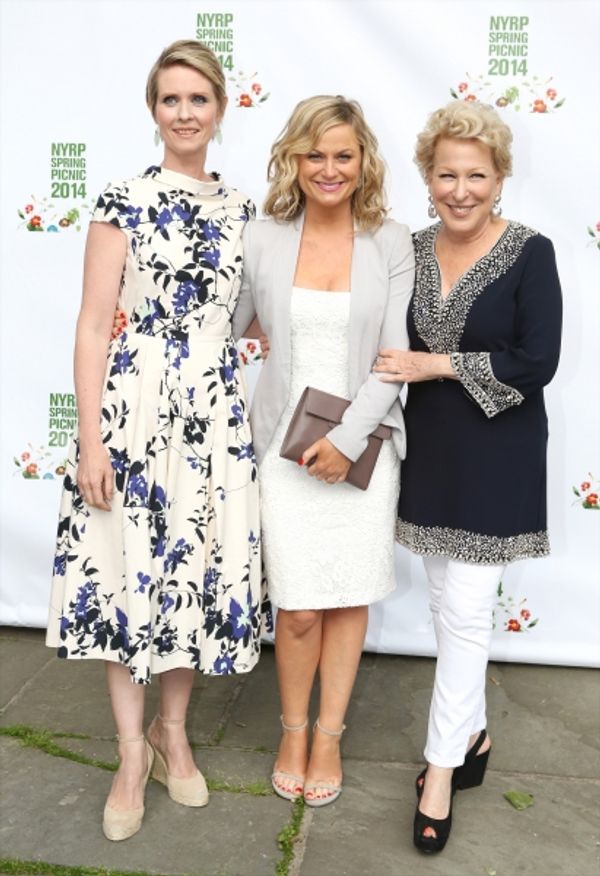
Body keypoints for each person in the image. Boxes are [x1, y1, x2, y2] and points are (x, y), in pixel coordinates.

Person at [46, 40, 269, 841]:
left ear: (221, 109)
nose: (184, 113)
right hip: (132, 413)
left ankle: (173, 735)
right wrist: (89, 442)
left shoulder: (245, 209)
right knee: (124, 572)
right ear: (153, 110)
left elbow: (251, 317)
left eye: (197, 99)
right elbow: (91, 323)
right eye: (170, 99)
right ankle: (127, 754)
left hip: (212, 417)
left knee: (190, 576)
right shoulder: (121, 197)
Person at [374, 100, 562, 853]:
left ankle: (442, 769)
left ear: (499, 178)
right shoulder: (408, 250)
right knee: (447, 602)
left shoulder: (532, 251)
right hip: (429, 452)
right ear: (426, 177)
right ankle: (475, 735)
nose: (460, 189)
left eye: (475, 175)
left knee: (468, 614)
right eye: (446, 174)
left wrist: (437, 364)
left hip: (497, 455)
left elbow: (536, 360)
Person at [233, 95, 415, 807]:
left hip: (364, 446)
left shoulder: (390, 240)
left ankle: (328, 736)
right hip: (284, 446)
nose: (330, 168)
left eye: (343, 155)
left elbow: (394, 357)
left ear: (363, 160)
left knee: (346, 600)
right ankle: (291, 729)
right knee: (300, 607)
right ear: (294, 159)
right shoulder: (263, 236)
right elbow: (233, 323)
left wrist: (346, 441)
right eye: (316, 154)